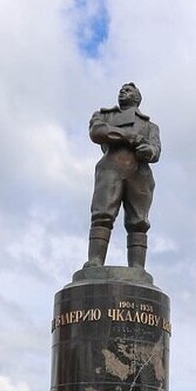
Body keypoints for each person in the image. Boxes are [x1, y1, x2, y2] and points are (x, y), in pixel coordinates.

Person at [83, 82, 162, 271]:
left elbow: (156, 150)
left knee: (139, 222)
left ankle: (138, 269)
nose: (122, 93)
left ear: (137, 97)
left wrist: (148, 151)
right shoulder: (106, 115)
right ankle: (95, 261)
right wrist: (128, 136)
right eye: (121, 90)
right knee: (102, 215)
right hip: (111, 169)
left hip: (139, 174)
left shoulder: (150, 126)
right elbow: (97, 132)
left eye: (128, 90)